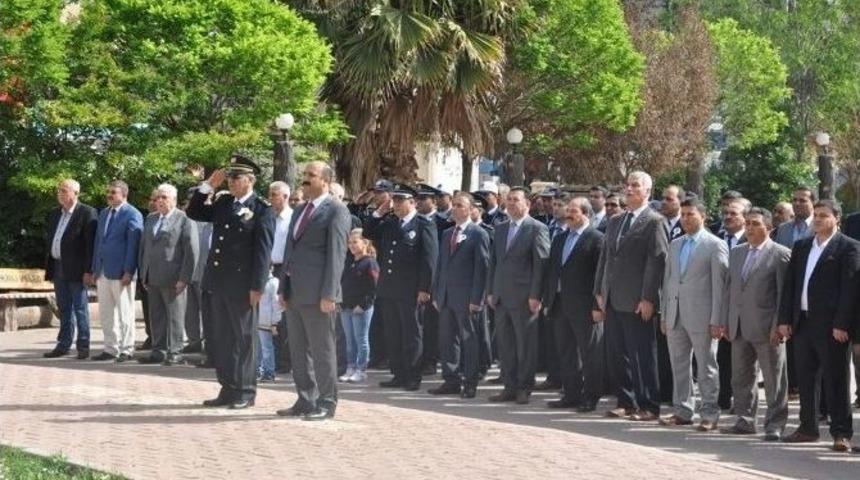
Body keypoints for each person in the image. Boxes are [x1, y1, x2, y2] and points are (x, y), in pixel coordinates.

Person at [187, 154, 275, 410]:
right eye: (230, 177)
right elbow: (195, 212)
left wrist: (257, 287)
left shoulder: (262, 209)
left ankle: (246, 390)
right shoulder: (224, 203)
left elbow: (262, 251)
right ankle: (228, 387)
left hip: (242, 285)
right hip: (218, 282)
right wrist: (208, 186)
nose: (232, 182)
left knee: (244, 339)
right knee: (221, 338)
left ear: (250, 180)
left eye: (236, 178)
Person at [779, 200, 860, 452]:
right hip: (802, 323)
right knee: (806, 378)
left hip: (832, 327)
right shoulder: (802, 246)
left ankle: (841, 433)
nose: (817, 219)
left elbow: (850, 290)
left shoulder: (848, 248)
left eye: (824, 216)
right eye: (816, 215)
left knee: (836, 380)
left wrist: (842, 323)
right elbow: (790, 286)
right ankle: (807, 428)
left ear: (837, 218)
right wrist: (784, 320)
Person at [277, 161, 350, 421]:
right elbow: (290, 251)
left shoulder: (336, 211)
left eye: (311, 175)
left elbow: (337, 255)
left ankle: (327, 402)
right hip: (295, 292)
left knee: (322, 351)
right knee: (298, 350)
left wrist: (329, 294)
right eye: (305, 174)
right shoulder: (300, 210)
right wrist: (283, 288)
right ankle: (305, 398)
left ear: (326, 181)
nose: (305, 179)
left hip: (319, 294)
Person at [594, 171, 668, 421]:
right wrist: (600, 291)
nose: (629, 189)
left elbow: (656, 261)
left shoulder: (654, 221)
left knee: (642, 354)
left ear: (648, 191)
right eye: (628, 185)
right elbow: (605, 259)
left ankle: (649, 404)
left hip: (637, 300)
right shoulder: (615, 221)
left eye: (635, 185)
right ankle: (626, 401)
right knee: (617, 353)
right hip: (613, 298)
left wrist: (648, 298)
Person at [719, 207, 790, 441]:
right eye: (747, 223)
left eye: (755, 224)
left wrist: (779, 326)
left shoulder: (780, 254)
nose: (749, 228)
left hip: (767, 327)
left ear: (769, 228)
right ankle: (745, 421)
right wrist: (725, 321)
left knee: (773, 379)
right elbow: (729, 289)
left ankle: (775, 424)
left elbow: (783, 295)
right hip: (738, 326)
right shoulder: (737, 253)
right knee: (740, 378)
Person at [658, 199, 728, 431]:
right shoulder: (675, 244)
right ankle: (682, 410)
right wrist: (665, 315)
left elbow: (720, 287)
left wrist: (717, 319)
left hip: (703, 317)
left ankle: (709, 413)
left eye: (690, 214)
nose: (685, 218)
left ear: (703, 216)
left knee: (706, 365)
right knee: (678, 364)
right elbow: (668, 282)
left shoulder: (715, 245)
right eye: (683, 214)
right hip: (675, 315)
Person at [366, 184, 438, 392]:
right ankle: (398, 373)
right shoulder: (390, 223)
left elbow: (429, 260)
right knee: (393, 332)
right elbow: (369, 231)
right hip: (389, 288)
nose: (396, 204)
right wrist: (380, 210)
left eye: (400, 200)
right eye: (394, 200)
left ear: (412, 202)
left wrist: (425, 288)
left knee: (411, 334)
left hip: (411, 289)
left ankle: (413, 375)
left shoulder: (423, 225)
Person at [486, 187, 550, 404]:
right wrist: (491, 291)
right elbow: (494, 263)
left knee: (525, 346)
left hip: (525, 298)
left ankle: (524, 387)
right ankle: (509, 386)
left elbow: (541, 265)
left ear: (527, 204)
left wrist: (536, 295)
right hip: (502, 297)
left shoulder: (537, 228)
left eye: (516, 200)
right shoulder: (501, 228)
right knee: (506, 345)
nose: (512, 203)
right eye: (509, 200)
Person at [542, 197, 604, 412]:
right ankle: (571, 394)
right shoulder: (560, 238)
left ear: (585, 213)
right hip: (560, 304)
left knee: (589, 354)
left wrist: (598, 306)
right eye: (567, 210)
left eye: (573, 211)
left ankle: (591, 396)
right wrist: (547, 299)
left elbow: (600, 275)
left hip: (585, 307)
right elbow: (552, 271)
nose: (568, 214)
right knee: (566, 352)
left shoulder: (596, 239)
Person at [430, 192, 490, 399]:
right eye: (453, 205)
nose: (454, 208)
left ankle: (470, 381)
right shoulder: (447, 233)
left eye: (459, 205)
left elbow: (482, 269)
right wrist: (437, 293)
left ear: (470, 209)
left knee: (469, 341)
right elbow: (440, 266)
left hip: (466, 298)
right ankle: (450, 379)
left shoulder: (478, 234)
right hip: (446, 297)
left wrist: (477, 299)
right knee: (448, 340)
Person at [137, 183, 198, 365]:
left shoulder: (184, 220)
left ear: (174, 199)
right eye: (158, 198)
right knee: (156, 316)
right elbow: (144, 248)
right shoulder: (151, 219)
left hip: (174, 278)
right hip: (152, 276)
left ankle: (175, 351)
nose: (160, 201)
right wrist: (144, 273)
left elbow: (191, 251)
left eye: (164, 197)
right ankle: (159, 350)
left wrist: (184, 278)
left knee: (175, 316)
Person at [43, 179, 98, 359]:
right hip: (58, 266)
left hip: (77, 269)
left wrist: (88, 270)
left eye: (64, 190)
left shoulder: (87, 213)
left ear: (76, 193)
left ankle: (83, 345)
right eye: (59, 190)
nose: (60, 193)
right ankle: (63, 344)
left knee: (80, 308)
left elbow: (90, 246)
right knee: (64, 307)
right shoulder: (54, 214)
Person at [91, 180, 144, 362]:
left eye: (113, 192)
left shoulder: (133, 214)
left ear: (124, 194)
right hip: (103, 270)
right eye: (108, 192)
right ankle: (110, 348)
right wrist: (95, 268)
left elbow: (133, 245)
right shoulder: (104, 213)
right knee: (106, 313)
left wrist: (129, 270)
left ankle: (127, 349)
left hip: (122, 272)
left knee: (125, 312)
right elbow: (99, 242)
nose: (109, 195)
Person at [339, 229, 379, 383]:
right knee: (349, 341)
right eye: (350, 243)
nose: (352, 246)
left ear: (365, 243)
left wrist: (363, 305)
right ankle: (350, 367)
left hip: (360, 308)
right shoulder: (349, 262)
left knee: (361, 339)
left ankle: (361, 369)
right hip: (346, 306)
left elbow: (373, 288)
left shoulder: (370, 262)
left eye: (355, 242)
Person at [257, 269, 282, 382]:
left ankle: (269, 372)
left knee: (266, 348)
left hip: (266, 321)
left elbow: (276, 304)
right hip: (256, 320)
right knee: (257, 348)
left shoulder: (273, 282)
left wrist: (275, 322)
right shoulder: (257, 279)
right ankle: (258, 370)